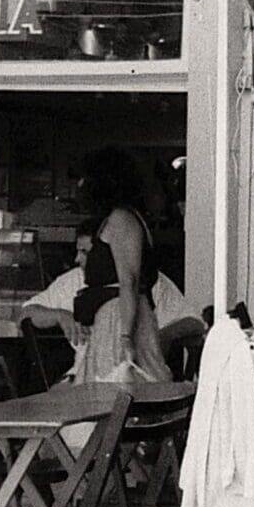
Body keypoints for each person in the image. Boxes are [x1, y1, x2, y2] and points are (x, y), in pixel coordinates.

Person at [19, 218, 203, 380]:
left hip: (136, 380)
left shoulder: (151, 283)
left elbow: (194, 321)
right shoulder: (72, 281)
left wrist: (163, 336)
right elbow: (26, 313)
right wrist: (59, 315)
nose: (77, 259)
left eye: (85, 252)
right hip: (87, 377)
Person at [68, 147, 170, 384]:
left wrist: (125, 337)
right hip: (115, 317)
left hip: (119, 319)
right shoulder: (121, 218)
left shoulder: (121, 219)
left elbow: (129, 281)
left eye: (86, 178)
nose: (80, 185)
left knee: (116, 392)